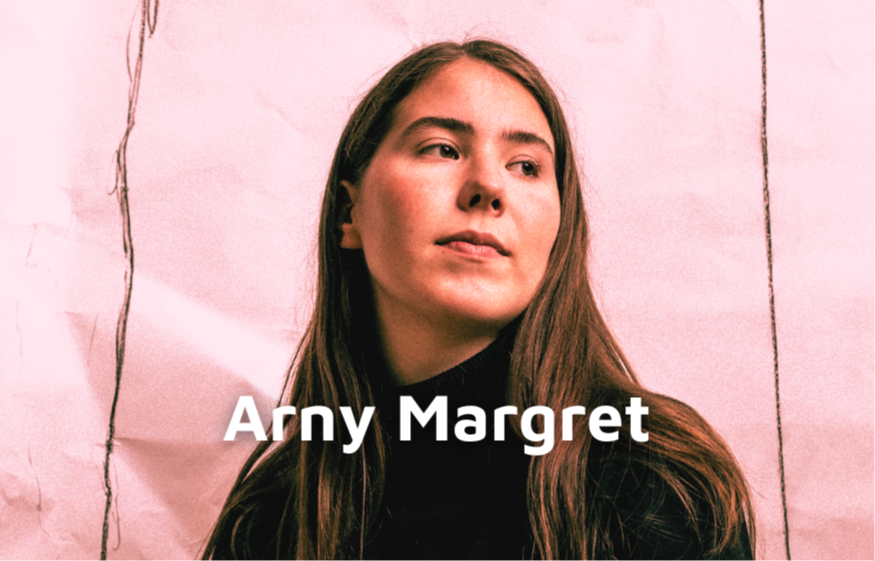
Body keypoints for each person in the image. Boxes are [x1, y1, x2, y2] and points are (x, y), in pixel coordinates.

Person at [202, 39, 755, 561]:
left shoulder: (655, 481)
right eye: (442, 149)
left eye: (526, 166)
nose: (489, 186)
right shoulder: (272, 515)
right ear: (350, 214)